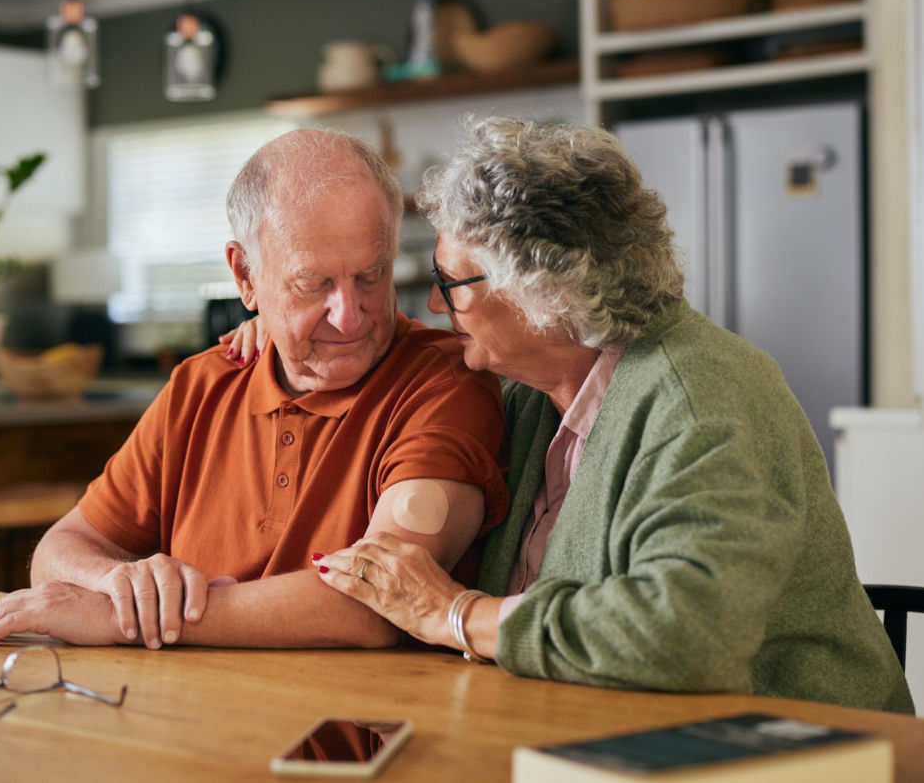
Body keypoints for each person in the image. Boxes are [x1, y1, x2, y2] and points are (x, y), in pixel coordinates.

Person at [222, 116, 913, 713]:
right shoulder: (529, 393)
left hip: (793, 753)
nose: (435, 307)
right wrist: (278, 322)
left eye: (450, 285)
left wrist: (460, 615)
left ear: (544, 289)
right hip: (585, 736)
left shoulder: (705, 396)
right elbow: (388, 359)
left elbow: (685, 640)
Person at [0, 128, 508, 651]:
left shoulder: (447, 382)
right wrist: (121, 584)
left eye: (371, 275)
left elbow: (380, 601)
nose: (350, 317)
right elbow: (62, 550)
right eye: (313, 283)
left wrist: (127, 618)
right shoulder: (202, 384)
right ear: (244, 275)